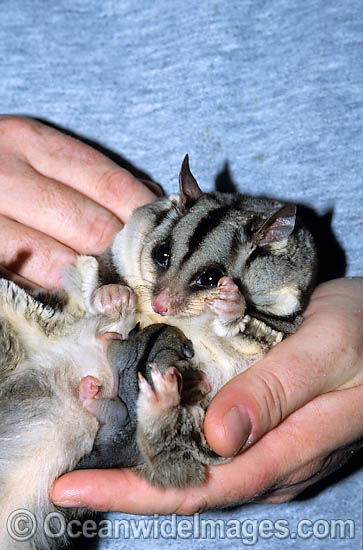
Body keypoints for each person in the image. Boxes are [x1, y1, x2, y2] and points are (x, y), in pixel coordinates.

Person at [0, 116, 362, 515]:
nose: (161, 302)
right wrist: (108, 285)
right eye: (164, 258)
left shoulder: (266, 285)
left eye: (206, 279)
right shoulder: (157, 232)